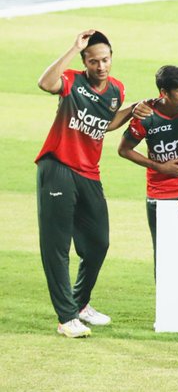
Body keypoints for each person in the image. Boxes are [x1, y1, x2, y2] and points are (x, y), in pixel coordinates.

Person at [35, 30, 138, 338]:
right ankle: (66, 318)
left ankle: (79, 304)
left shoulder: (116, 89)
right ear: (85, 62)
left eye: (105, 60)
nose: (101, 67)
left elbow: (104, 123)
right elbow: (45, 83)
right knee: (57, 247)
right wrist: (72, 47)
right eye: (94, 61)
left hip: (89, 173)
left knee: (98, 242)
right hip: (57, 168)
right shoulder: (70, 80)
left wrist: (132, 109)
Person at [118, 65, 178, 257]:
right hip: (161, 194)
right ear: (164, 92)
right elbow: (124, 149)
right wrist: (159, 167)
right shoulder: (146, 116)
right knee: (164, 256)